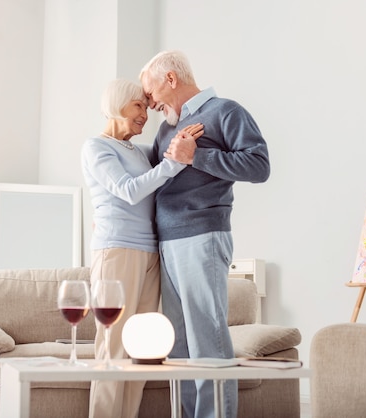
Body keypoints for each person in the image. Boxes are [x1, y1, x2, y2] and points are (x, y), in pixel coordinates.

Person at [139, 51, 270, 418]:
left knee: (206, 339)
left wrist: (197, 157)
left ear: (170, 79)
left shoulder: (225, 111)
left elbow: (259, 166)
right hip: (166, 241)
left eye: (150, 93)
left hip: (202, 235)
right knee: (179, 344)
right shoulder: (166, 127)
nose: (149, 104)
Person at [81, 78, 203, 418]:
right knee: (113, 347)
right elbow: (129, 190)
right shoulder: (96, 147)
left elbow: (159, 181)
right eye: (138, 106)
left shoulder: (139, 150)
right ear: (117, 105)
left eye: (146, 108)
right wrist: (173, 163)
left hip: (150, 253)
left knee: (140, 349)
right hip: (116, 251)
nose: (145, 115)